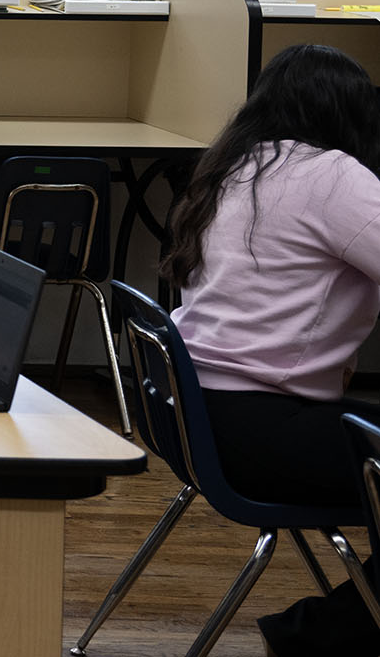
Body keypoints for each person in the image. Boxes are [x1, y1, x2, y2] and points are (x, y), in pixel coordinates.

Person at [162, 41, 380, 656]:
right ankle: (319, 634)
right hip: (266, 427)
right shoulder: (332, 174)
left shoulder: (236, 166)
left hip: (198, 416)